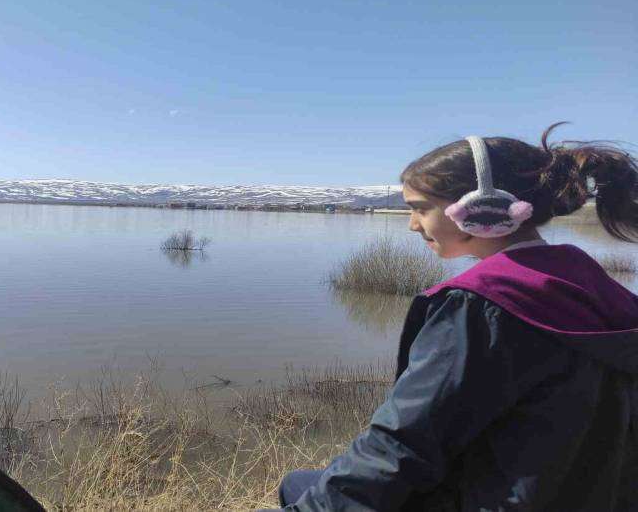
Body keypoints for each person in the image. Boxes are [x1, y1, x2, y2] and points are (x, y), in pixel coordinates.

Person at [266, 123, 638, 511]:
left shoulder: (481, 305)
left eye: (420, 208)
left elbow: (402, 444)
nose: (412, 225)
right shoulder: (588, 282)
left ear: (482, 207)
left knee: (300, 491)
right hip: (581, 494)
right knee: (303, 481)